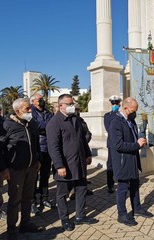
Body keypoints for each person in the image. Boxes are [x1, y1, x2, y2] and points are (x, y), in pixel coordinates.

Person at [0, 98, 45, 240]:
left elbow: (36, 143)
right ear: (17, 112)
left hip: (32, 168)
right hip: (15, 170)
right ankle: (11, 229)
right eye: (27, 109)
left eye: (30, 108)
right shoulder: (7, 125)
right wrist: (3, 169)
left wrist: (38, 159)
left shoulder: (32, 123)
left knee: (27, 198)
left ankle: (25, 223)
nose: (30, 111)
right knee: (14, 200)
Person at [46, 94, 98, 232]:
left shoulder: (75, 119)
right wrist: (59, 165)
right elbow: (53, 147)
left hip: (79, 162)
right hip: (65, 165)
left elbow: (82, 139)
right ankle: (64, 219)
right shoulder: (54, 123)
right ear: (61, 105)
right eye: (69, 104)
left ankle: (80, 216)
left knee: (81, 189)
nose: (72, 106)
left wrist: (87, 154)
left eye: (72, 103)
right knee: (62, 194)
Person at [109, 97, 153, 226]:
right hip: (123, 161)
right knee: (123, 188)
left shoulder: (130, 120)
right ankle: (122, 214)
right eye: (134, 110)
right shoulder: (115, 122)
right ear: (126, 107)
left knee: (135, 185)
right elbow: (118, 145)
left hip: (133, 159)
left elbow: (134, 137)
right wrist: (137, 145)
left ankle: (137, 208)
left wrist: (140, 141)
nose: (135, 113)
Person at [30, 93, 54, 215]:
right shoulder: (31, 112)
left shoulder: (48, 112)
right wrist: (47, 127)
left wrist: (47, 127)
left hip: (48, 148)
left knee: (45, 175)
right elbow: (35, 126)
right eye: (39, 99)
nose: (42, 101)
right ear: (33, 101)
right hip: (36, 147)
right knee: (34, 176)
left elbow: (52, 125)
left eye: (42, 99)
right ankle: (32, 201)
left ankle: (44, 198)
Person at [68, 103, 93, 200]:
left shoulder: (82, 121)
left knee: (83, 172)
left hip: (82, 150)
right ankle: (71, 191)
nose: (77, 112)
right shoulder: (69, 121)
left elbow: (87, 133)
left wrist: (83, 142)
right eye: (75, 109)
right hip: (72, 152)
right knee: (73, 172)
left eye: (78, 110)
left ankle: (84, 189)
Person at [104, 95, 122, 193]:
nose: (115, 105)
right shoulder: (107, 115)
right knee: (110, 165)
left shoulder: (122, 114)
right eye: (113, 103)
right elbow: (109, 128)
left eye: (116, 103)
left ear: (119, 104)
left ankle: (124, 183)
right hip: (112, 143)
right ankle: (110, 185)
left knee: (122, 164)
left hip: (122, 143)